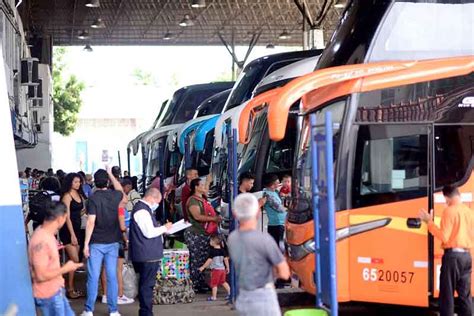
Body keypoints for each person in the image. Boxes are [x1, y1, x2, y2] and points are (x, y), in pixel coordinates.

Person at [228, 193, 290, 316]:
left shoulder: (232, 238)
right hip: (263, 298)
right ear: (257, 213)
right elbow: (285, 273)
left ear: (235, 214)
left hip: (243, 297)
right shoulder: (264, 240)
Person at [419, 185, 474, 316]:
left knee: (447, 294)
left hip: (452, 257)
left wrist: (429, 222)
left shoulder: (449, 211)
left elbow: (444, 236)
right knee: (465, 296)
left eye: (445, 200)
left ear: (447, 197)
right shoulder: (470, 212)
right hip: (467, 256)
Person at [81, 167, 127, 316]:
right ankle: (113, 311)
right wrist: (112, 175)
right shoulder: (115, 196)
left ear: (95, 182)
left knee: (93, 277)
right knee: (112, 276)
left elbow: (91, 222)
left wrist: (86, 244)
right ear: (107, 181)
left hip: (96, 243)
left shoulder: (93, 199)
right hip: (113, 242)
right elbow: (121, 191)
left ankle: (89, 310)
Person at [28, 200, 83, 316]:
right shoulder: (41, 241)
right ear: (61, 218)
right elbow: (41, 275)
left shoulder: (47, 234)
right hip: (48, 295)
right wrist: (66, 268)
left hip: (56, 290)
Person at [129, 188, 172, 316]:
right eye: (157, 202)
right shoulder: (142, 211)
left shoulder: (143, 209)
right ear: (151, 198)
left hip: (146, 253)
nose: (157, 205)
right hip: (147, 254)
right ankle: (146, 313)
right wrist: (164, 228)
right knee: (147, 286)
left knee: (146, 285)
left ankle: (146, 311)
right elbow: (149, 232)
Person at [184, 178, 221, 292]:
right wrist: (214, 218)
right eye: (203, 185)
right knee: (196, 259)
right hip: (195, 234)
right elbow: (197, 216)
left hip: (204, 233)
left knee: (202, 259)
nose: (205, 187)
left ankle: (200, 282)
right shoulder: (193, 201)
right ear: (196, 187)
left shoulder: (202, 199)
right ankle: (195, 284)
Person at [59, 173, 86, 299]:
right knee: (74, 259)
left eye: (79, 182)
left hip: (78, 228)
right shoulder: (67, 196)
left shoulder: (79, 194)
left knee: (73, 261)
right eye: (75, 182)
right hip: (68, 230)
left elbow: (79, 212)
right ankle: (68, 287)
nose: (78, 184)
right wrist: (72, 235)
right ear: (70, 182)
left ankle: (70, 287)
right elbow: (67, 217)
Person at [101, 202, 134, 305]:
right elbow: (123, 227)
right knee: (118, 269)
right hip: (117, 239)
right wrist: (126, 241)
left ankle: (105, 295)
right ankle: (119, 295)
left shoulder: (103, 208)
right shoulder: (120, 210)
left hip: (103, 239)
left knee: (105, 268)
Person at [198, 235, 230, 301]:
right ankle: (230, 293)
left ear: (213, 242)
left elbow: (209, 260)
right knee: (223, 282)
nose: (209, 242)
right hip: (222, 269)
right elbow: (226, 259)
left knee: (214, 284)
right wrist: (227, 267)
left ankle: (214, 297)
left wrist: (203, 267)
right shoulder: (223, 250)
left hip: (216, 270)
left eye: (210, 241)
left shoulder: (212, 251)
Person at [262, 174, 287, 250]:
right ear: (272, 185)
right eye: (277, 183)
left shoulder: (274, 192)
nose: (279, 183)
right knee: (278, 247)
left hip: (280, 223)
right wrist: (288, 208)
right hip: (276, 225)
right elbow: (279, 208)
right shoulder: (268, 195)